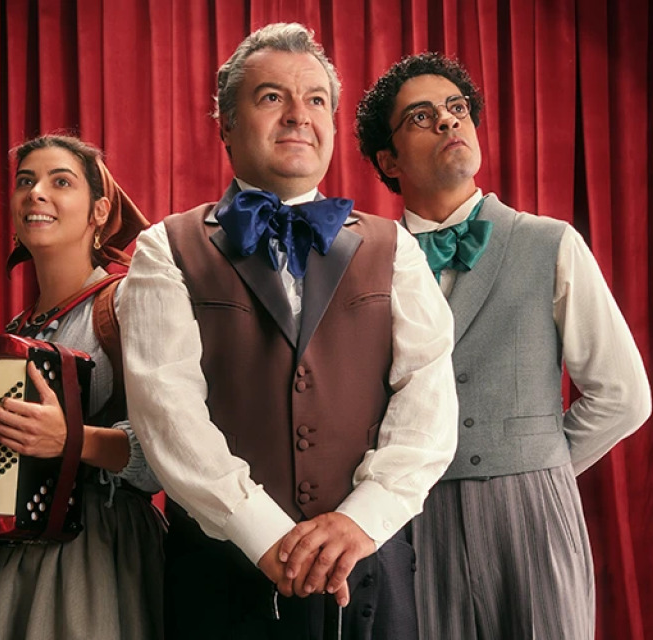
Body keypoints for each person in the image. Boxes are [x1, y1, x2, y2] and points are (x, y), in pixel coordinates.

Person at [118, 23, 458, 640]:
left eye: (316, 99)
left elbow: (428, 403)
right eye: (272, 97)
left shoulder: (395, 247)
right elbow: (167, 415)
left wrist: (360, 521)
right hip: (222, 582)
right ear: (225, 124)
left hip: (369, 573)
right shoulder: (165, 248)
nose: (299, 115)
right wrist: (263, 534)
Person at [355, 53, 652, 639]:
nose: (448, 120)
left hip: (533, 516)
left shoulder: (550, 242)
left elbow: (624, 397)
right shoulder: (367, 262)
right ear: (388, 160)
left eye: (457, 108)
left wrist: (536, 466)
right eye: (421, 116)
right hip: (412, 517)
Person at [0, 134, 164, 640]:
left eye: (61, 182)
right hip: (2, 560)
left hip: (94, 555)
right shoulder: (14, 333)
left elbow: (164, 457)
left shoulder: (127, 302)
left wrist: (70, 439)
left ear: (99, 211)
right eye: (25, 181)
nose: (36, 192)